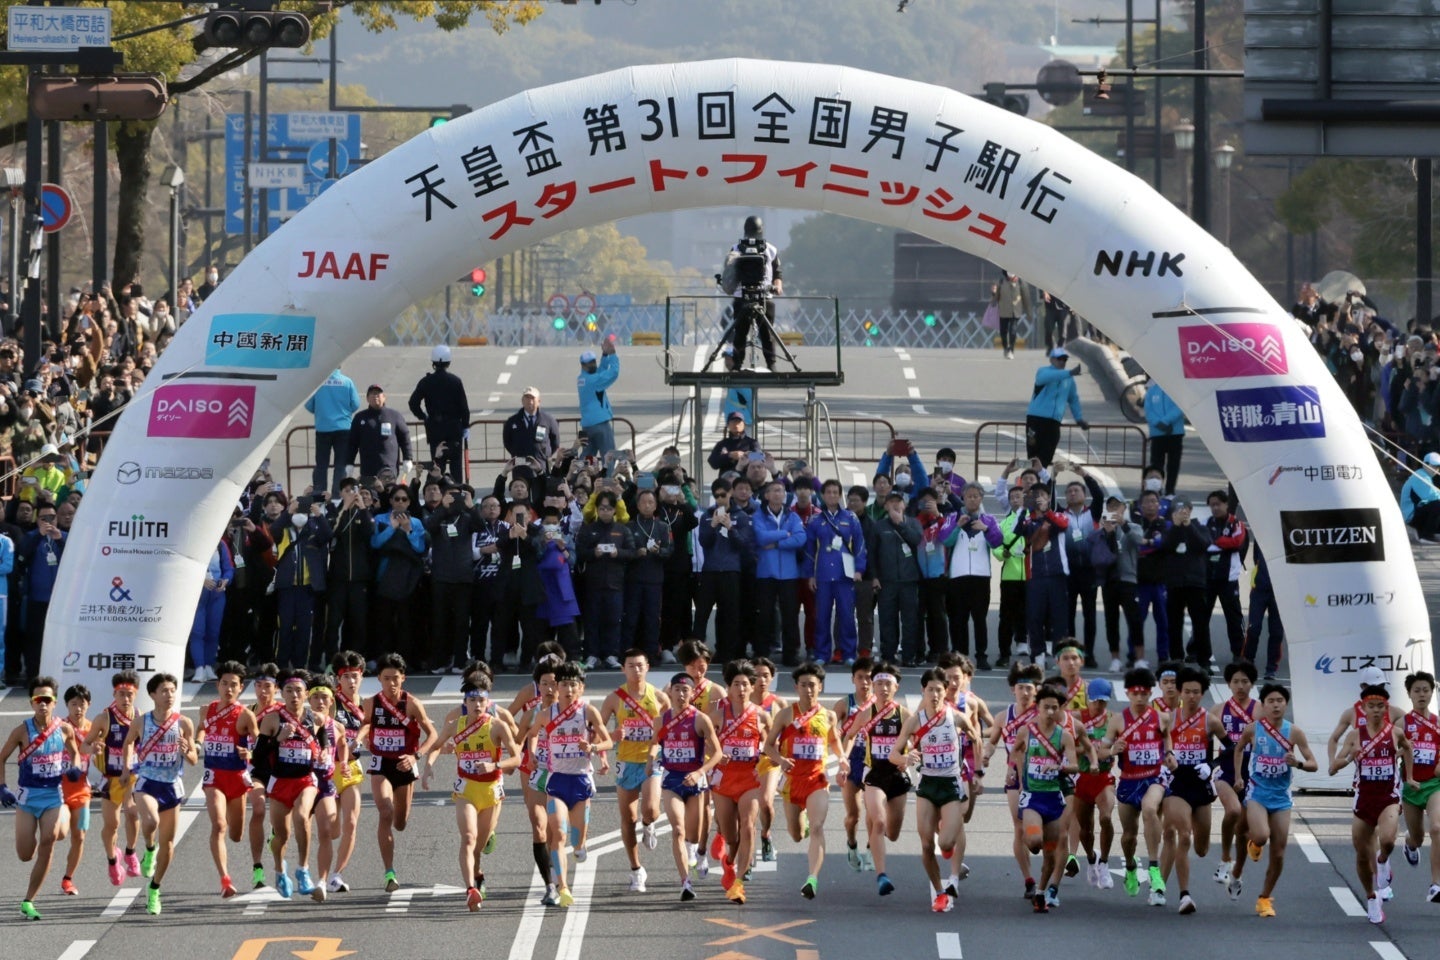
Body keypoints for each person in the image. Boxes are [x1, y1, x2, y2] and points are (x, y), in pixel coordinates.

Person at [424, 669, 521, 911]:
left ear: (488, 701)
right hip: (466, 790)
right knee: (468, 838)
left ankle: (478, 875)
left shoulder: (497, 726)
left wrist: (494, 764)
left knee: (479, 844)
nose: (477, 705)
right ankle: (470, 889)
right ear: (465, 702)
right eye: (472, 700)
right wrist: (427, 767)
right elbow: (435, 746)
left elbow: (517, 758)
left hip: (491, 791)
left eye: (481, 700)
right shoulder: (455, 725)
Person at [522, 660, 612, 908]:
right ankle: (563, 887)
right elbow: (532, 735)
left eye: (573, 685)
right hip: (556, 782)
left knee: (577, 841)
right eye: (564, 684)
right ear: (557, 687)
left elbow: (608, 742)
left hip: (581, 781)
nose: (568, 690)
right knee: (558, 834)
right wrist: (531, 755)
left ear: (580, 688)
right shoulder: (545, 715)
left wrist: (593, 747)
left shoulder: (587, 712)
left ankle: (581, 845)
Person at [891, 667, 979, 912]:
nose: (935, 694)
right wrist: (905, 759)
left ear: (946, 692)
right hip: (928, 784)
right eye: (930, 690)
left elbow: (976, 737)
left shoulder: (956, 717)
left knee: (948, 842)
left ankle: (948, 837)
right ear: (923, 691)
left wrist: (978, 770)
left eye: (939, 690)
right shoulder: (914, 720)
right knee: (928, 845)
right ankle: (940, 893)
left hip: (951, 783)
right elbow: (894, 753)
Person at [1232, 682, 1319, 917]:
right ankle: (1254, 843)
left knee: (1279, 853)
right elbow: (1238, 749)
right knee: (1261, 835)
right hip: (1258, 792)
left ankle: (1264, 899)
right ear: (1263, 705)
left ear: (1286, 704)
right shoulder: (1253, 729)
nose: (1276, 705)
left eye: (1280, 701)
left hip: (1281, 797)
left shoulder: (1294, 732)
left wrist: (1298, 763)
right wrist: (1239, 776)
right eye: (1271, 701)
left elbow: (1313, 764)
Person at [761, 662, 847, 900]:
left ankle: (812, 878)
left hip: (817, 780)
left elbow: (834, 741)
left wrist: (842, 759)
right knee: (797, 835)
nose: (808, 690)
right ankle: (804, 823)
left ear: (820, 687)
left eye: (813, 685)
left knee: (818, 828)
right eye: (803, 685)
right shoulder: (786, 714)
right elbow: (768, 745)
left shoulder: (828, 716)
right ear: (796, 687)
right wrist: (780, 759)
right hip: (791, 783)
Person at [1330, 683, 1413, 923]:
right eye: (1371, 706)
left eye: (1380, 706)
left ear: (1386, 709)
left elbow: (1408, 748)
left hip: (1388, 796)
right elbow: (1337, 763)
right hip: (1363, 798)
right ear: (1363, 709)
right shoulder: (1355, 735)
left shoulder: (1395, 733)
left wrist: (1410, 776)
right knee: (1360, 853)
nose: (1376, 710)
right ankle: (1370, 897)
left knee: (1387, 840)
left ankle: (1384, 860)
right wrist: (1345, 761)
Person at [0, 675, 80, 920]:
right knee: (25, 854)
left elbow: (75, 752)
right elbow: (1, 758)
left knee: (49, 839)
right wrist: (2, 786)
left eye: (47, 699)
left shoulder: (65, 729)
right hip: (27, 799)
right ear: (32, 703)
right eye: (38, 700)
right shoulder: (21, 731)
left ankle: (29, 900)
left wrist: (75, 767)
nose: (43, 704)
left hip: (53, 796)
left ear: (54, 702)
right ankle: (62, 819)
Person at [121, 672, 199, 916]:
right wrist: (126, 767)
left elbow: (195, 760)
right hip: (147, 782)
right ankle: (149, 848)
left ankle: (155, 889)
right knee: (151, 820)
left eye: (173, 691)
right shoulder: (142, 722)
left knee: (169, 844)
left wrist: (187, 751)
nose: (169, 695)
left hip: (172, 786)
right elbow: (128, 743)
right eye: (164, 691)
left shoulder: (184, 722)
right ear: (153, 695)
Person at [363, 653, 438, 892]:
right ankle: (389, 873)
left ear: (403, 678)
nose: (391, 683)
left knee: (400, 822)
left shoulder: (413, 703)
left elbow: (432, 735)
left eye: (395, 678)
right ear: (378, 679)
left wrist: (415, 755)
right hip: (381, 764)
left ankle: (400, 812)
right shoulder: (372, 702)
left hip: (405, 764)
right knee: (385, 813)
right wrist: (361, 737)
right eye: (386, 678)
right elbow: (366, 723)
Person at [599, 649, 671, 894]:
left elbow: (672, 729)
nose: (636, 670)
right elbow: (596, 732)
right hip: (625, 762)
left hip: (652, 760)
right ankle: (636, 869)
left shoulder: (660, 697)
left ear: (648, 667)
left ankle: (649, 823)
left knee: (650, 809)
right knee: (628, 820)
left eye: (640, 665)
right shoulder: (614, 698)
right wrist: (612, 735)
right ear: (623, 668)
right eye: (631, 666)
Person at [251, 670, 326, 900]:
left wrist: (323, 755)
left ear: (306, 694)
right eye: (289, 691)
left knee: (302, 817)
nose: (294, 695)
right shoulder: (272, 719)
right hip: (280, 781)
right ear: (281, 693)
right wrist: (278, 739)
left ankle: (303, 869)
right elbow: (258, 757)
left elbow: (323, 745)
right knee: (281, 836)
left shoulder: (316, 718)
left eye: (299, 691)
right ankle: (279, 869)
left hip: (305, 780)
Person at [649, 672, 722, 901]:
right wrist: (651, 759)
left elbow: (718, 752)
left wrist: (700, 771)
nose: (681, 695)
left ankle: (696, 852)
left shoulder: (701, 719)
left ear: (692, 693)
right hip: (672, 779)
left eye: (685, 691)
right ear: (669, 692)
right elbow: (654, 744)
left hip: (696, 781)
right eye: (677, 690)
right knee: (678, 830)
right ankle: (685, 883)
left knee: (693, 833)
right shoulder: (661, 720)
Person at [1105, 666, 1172, 905]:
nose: (1140, 697)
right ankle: (1131, 866)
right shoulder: (1117, 720)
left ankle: (1154, 867)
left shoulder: (1162, 718)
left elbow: (1167, 740)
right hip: (1128, 781)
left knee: (1150, 809)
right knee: (1129, 837)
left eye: (1145, 693)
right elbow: (1102, 749)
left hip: (1153, 778)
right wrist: (1113, 750)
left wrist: (1170, 754)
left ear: (1151, 693)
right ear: (1128, 693)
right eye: (1135, 693)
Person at [1159, 667, 1223, 914]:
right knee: (1182, 835)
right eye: (1188, 691)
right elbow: (1153, 743)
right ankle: (1185, 895)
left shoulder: (1210, 720)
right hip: (1177, 783)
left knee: (1202, 848)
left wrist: (1211, 765)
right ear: (1180, 692)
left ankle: (1166, 885)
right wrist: (1166, 757)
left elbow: (1231, 749)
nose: (1192, 696)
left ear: (1203, 693)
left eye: (1197, 692)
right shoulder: (1168, 718)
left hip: (1201, 784)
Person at [844, 660, 911, 897]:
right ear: (873, 686)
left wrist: (910, 756)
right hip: (873, 776)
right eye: (879, 683)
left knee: (892, 833)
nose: (882, 688)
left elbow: (917, 741)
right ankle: (882, 875)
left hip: (896, 777)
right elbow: (850, 735)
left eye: (887, 684)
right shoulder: (865, 714)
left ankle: (878, 852)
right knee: (878, 822)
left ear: (896, 688)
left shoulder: (904, 714)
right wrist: (844, 759)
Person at [707, 659, 771, 904]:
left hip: (749, 780)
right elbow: (703, 742)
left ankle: (739, 884)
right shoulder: (716, 715)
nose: (741, 689)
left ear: (752, 687)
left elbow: (771, 743)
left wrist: (770, 759)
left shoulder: (761, 716)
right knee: (731, 836)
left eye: (745, 684)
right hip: (723, 781)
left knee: (747, 826)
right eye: (736, 684)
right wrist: (713, 757)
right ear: (729, 687)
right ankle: (729, 862)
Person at [1012, 684, 1081, 912]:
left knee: (1051, 852)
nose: (1050, 712)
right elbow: (1016, 750)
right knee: (1034, 841)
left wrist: (1065, 767)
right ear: (1037, 707)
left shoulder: (1065, 736)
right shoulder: (1027, 731)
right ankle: (1031, 841)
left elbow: (1073, 763)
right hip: (1033, 797)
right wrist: (1017, 769)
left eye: (1054, 708)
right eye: (1046, 707)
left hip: (1054, 799)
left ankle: (1041, 893)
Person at [197, 661, 258, 899]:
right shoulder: (207, 709)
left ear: (241, 688)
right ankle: (225, 880)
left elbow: (259, 743)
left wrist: (250, 753)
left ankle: (227, 873)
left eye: (234, 685)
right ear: (217, 684)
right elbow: (202, 728)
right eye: (224, 684)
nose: (228, 689)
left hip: (237, 779)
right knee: (219, 825)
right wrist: (197, 742)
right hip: (214, 776)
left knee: (236, 834)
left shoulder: (245, 715)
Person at [79, 670, 142, 887]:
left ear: (136, 694)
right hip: (111, 778)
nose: (125, 699)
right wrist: (93, 747)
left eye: (129, 694)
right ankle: (112, 860)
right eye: (121, 694)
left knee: (133, 814)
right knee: (112, 824)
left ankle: (131, 852)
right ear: (114, 695)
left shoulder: (140, 717)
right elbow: (83, 745)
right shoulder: (104, 718)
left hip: (132, 775)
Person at [807, 480, 868, 666]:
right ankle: (821, 653)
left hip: (845, 575)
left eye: (836, 492)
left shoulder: (850, 518)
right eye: (829, 492)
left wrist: (859, 569)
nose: (832, 495)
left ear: (840, 495)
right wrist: (811, 574)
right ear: (823, 495)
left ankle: (849, 652)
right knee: (822, 616)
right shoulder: (815, 520)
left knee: (847, 616)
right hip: (823, 575)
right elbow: (809, 550)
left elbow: (860, 545)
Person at [1211, 661, 1258, 897]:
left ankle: (1237, 873)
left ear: (1252, 684)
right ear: (1228, 684)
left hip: (1252, 775)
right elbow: (1201, 736)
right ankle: (1224, 859)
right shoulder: (1218, 710)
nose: (1240, 686)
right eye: (1236, 681)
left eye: (1245, 681)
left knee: (1245, 832)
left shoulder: (1259, 710)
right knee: (1232, 812)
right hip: (1226, 771)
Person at [721, 215, 784, 371]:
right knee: (740, 334)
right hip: (741, 296)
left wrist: (777, 286)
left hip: (764, 295)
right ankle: (737, 365)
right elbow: (729, 271)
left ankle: (771, 364)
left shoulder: (770, 250)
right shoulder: (736, 249)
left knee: (767, 334)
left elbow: (777, 274)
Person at [1072, 677, 1117, 889]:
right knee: (1085, 830)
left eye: (1103, 702)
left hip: (1104, 778)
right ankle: (1091, 859)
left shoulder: (1113, 720)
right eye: (1095, 701)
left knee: (1106, 818)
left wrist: (1111, 752)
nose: (1099, 706)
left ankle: (1105, 863)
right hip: (1081, 777)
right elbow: (1067, 748)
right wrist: (1090, 752)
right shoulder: (1077, 718)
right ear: (1088, 699)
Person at [1399, 671, 1440, 902]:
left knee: (1437, 828)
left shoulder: (1438, 723)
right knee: (1418, 837)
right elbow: (1387, 751)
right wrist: (1404, 748)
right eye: (1417, 690)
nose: (1422, 694)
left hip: (1435, 785)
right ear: (1409, 694)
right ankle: (1409, 844)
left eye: (1426, 690)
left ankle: (1436, 885)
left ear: (1432, 693)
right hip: (1411, 786)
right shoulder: (1402, 723)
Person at [834, 658, 875, 872]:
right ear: (853, 679)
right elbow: (832, 731)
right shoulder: (844, 704)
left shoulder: (881, 705)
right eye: (860, 678)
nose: (865, 683)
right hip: (851, 761)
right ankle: (852, 845)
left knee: (874, 812)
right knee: (853, 816)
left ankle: (871, 849)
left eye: (869, 678)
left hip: (873, 761)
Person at [408, 344, 471, 482]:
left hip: (435, 429)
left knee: (437, 466)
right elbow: (464, 408)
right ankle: (457, 494)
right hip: (454, 430)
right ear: (449, 362)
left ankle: (436, 493)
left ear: (433, 362)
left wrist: (423, 416)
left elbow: (413, 403)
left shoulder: (426, 381)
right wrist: (465, 426)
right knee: (456, 469)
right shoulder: (455, 381)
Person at [1025, 347, 1088, 468]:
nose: (1062, 362)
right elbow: (1044, 378)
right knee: (1033, 453)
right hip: (1035, 418)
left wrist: (1079, 418)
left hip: (1053, 421)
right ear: (1052, 360)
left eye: (1065, 359)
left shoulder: (1069, 379)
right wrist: (1069, 373)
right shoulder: (1043, 371)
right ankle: (1033, 480)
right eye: (1060, 359)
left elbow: (1073, 399)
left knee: (1047, 454)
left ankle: (1039, 481)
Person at [58, 684, 92, 897]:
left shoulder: (94, 729)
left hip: (83, 792)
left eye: (82, 704)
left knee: (80, 835)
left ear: (88, 705)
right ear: (66, 706)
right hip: (58, 791)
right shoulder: (59, 728)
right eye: (73, 704)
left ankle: (68, 879)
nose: (78, 708)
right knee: (58, 833)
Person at [306, 368, 362, 495]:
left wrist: (322, 411)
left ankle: (319, 495)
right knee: (341, 464)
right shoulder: (347, 382)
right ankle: (338, 495)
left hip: (323, 428)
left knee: (321, 465)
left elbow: (308, 405)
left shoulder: (318, 382)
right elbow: (355, 404)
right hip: (343, 428)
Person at [349, 384, 412, 481]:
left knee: (388, 494)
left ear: (384, 397)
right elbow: (352, 443)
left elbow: (405, 437)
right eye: (372, 394)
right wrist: (349, 463)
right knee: (369, 495)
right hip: (368, 470)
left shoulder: (394, 416)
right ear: (367, 399)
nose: (375, 396)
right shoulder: (360, 417)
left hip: (388, 468)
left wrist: (408, 458)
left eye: (378, 394)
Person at [503, 387, 561, 480]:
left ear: (539, 401)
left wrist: (543, 454)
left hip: (541, 464)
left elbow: (555, 442)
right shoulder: (512, 421)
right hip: (520, 466)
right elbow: (507, 442)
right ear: (522, 401)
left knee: (540, 491)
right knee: (521, 492)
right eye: (527, 398)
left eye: (532, 398)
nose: (530, 401)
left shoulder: (548, 420)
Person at [576, 338, 620, 458]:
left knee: (587, 457)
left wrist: (605, 355)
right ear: (583, 365)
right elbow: (614, 373)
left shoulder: (582, 378)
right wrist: (612, 354)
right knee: (609, 456)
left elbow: (599, 372)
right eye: (589, 363)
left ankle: (579, 474)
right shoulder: (594, 381)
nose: (592, 364)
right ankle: (608, 476)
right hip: (600, 424)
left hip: (587, 425)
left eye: (593, 361)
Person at [1144, 380, 1185, 496]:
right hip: (1157, 433)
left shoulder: (1176, 390)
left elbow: (1180, 407)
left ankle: (1170, 489)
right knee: (1156, 464)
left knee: (1173, 463)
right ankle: (1155, 490)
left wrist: (1166, 421)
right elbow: (1148, 411)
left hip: (1175, 432)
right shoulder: (1151, 391)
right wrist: (1159, 423)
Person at [1402, 452, 1440, 543]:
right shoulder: (1420, 476)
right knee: (1437, 504)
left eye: (1438, 467)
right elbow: (1432, 496)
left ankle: (1431, 533)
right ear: (1425, 464)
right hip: (1412, 516)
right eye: (1434, 466)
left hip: (1417, 512)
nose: (1436, 470)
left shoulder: (1424, 475)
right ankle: (1425, 536)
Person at [992, 270, 1030, 359]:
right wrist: (993, 293)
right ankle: (1005, 347)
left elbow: (1026, 298)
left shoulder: (1021, 282)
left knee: (1013, 330)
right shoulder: (1001, 282)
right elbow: (996, 297)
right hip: (1004, 311)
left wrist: (1029, 312)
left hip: (1015, 311)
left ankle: (1011, 350)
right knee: (1003, 332)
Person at [708, 412, 760, 476]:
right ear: (728, 425)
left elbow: (759, 457)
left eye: (739, 422)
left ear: (744, 425)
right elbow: (713, 462)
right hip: (726, 480)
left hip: (746, 479)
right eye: (733, 422)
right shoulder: (722, 444)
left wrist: (744, 456)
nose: (736, 424)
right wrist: (729, 455)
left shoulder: (752, 442)